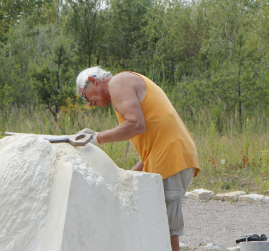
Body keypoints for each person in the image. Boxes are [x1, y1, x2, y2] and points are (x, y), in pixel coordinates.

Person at [76, 66, 199, 251]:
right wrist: (125, 176)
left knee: (164, 228)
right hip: (169, 154)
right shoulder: (125, 83)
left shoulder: (119, 82)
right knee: (157, 224)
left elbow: (135, 124)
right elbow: (155, 138)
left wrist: (96, 137)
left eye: (85, 97)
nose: (89, 104)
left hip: (171, 156)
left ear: (93, 80)